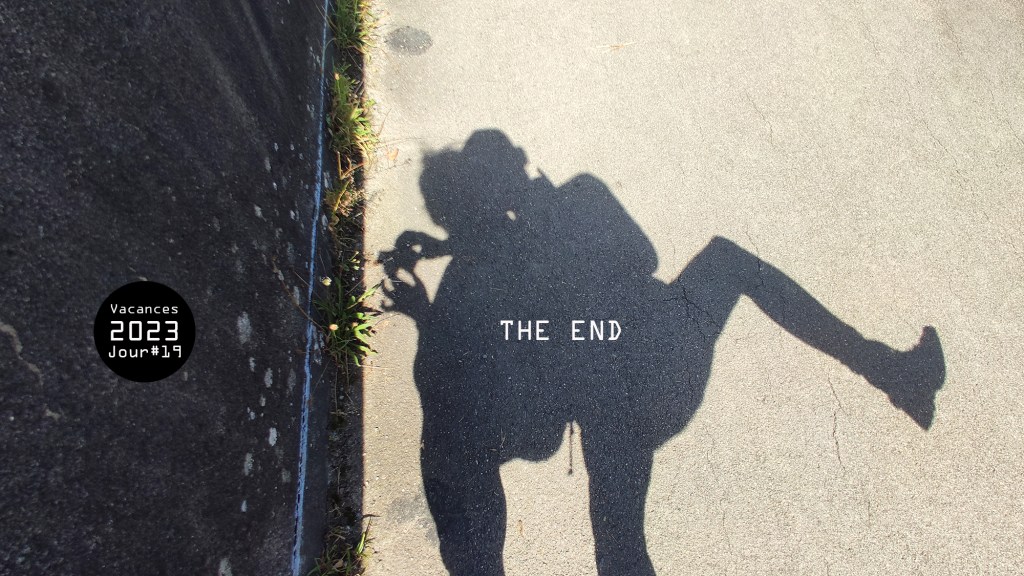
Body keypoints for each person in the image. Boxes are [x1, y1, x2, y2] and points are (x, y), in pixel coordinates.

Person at [380, 130, 945, 576]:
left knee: (616, 538)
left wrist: (465, 269)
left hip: (632, 383)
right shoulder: (554, 214)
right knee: (723, 264)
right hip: (650, 368)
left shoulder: (534, 230)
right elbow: (630, 265)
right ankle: (891, 370)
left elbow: (621, 266)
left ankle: (890, 369)